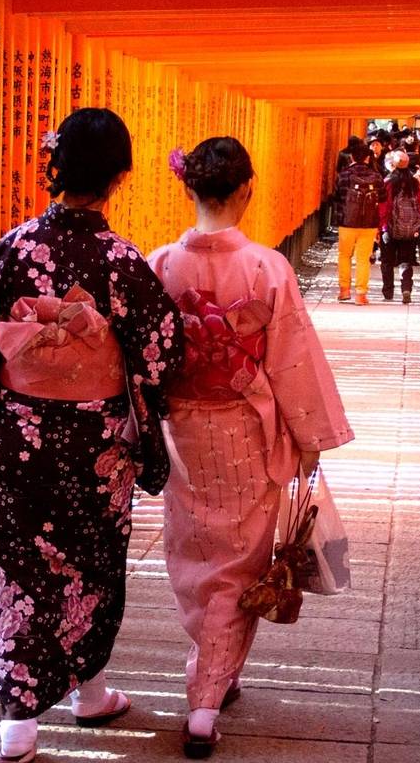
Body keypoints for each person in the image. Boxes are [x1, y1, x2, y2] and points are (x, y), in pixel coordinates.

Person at [0, 107, 185, 763]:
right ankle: (90, 690)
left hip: (19, 438)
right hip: (95, 443)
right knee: (92, 566)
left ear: (57, 165)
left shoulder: (11, 250)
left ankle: (16, 725)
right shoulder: (121, 261)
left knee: (19, 571)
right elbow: (160, 351)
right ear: (121, 176)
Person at [150, 136, 353, 759]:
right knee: (238, 558)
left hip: (181, 429)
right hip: (246, 429)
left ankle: (212, 667)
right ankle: (206, 702)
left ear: (189, 188)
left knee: (193, 552)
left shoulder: (159, 266)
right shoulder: (266, 268)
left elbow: (146, 357)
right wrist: (311, 436)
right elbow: (292, 357)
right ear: (246, 190)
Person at [332, 144, 385, 304]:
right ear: (368, 158)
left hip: (347, 223)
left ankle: (344, 290)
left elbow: (337, 197)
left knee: (344, 255)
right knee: (363, 259)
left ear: (352, 157)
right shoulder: (376, 176)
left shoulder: (344, 175)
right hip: (369, 224)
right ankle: (361, 294)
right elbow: (382, 197)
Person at [379, 149, 420, 304]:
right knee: (405, 259)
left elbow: (383, 207)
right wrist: (419, 224)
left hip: (390, 228)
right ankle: (406, 288)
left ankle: (388, 292)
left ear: (393, 164)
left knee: (387, 260)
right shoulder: (414, 183)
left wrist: (382, 227)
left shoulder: (388, 182)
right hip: (409, 229)